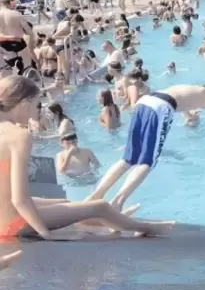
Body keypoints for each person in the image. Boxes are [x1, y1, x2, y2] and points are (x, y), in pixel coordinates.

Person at [0, 76, 174, 238]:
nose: (35, 114)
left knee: (64, 202)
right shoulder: (19, 136)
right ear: (24, 103)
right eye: (37, 105)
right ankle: (147, 229)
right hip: (12, 223)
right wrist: (45, 234)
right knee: (100, 206)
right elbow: (20, 200)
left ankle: (107, 222)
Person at [86, 84, 205, 211]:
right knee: (147, 162)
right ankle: (118, 202)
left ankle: (96, 196)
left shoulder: (190, 90)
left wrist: (189, 116)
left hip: (145, 102)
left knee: (127, 159)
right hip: (160, 107)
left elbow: (180, 104)